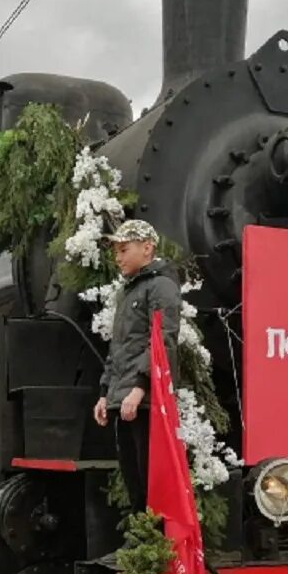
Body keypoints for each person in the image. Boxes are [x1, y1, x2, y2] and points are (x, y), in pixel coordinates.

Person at [92, 219, 181, 514]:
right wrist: (106, 392)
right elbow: (119, 348)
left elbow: (163, 340)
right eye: (115, 251)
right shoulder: (128, 291)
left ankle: (154, 543)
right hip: (123, 399)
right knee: (133, 479)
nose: (117, 257)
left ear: (147, 248)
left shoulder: (161, 287)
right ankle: (141, 540)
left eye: (123, 249)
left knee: (150, 478)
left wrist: (140, 388)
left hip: (144, 403)